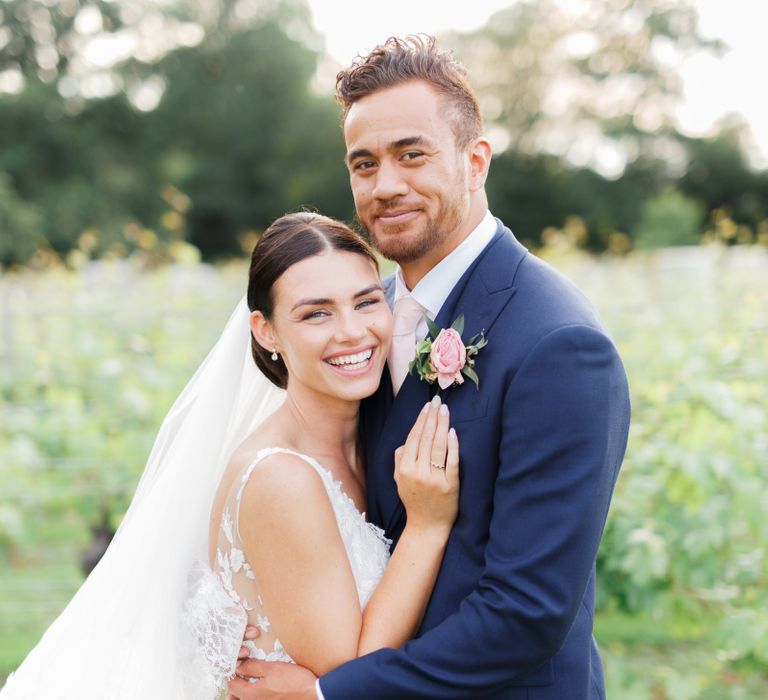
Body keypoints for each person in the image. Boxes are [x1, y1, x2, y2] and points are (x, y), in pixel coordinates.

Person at [227, 36, 631, 700]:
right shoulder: (365, 321)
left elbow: (526, 612)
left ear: (475, 162)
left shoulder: (559, 344)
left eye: (412, 155)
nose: (386, 185)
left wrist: (331, 695)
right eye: (365, 164)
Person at [0, 212, 460, 699]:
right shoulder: (280, 477)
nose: (352, 332)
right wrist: (427, 528)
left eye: (366, 302)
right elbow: (350, 675)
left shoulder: (373, 438)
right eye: (316, 313)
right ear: (265, 332)